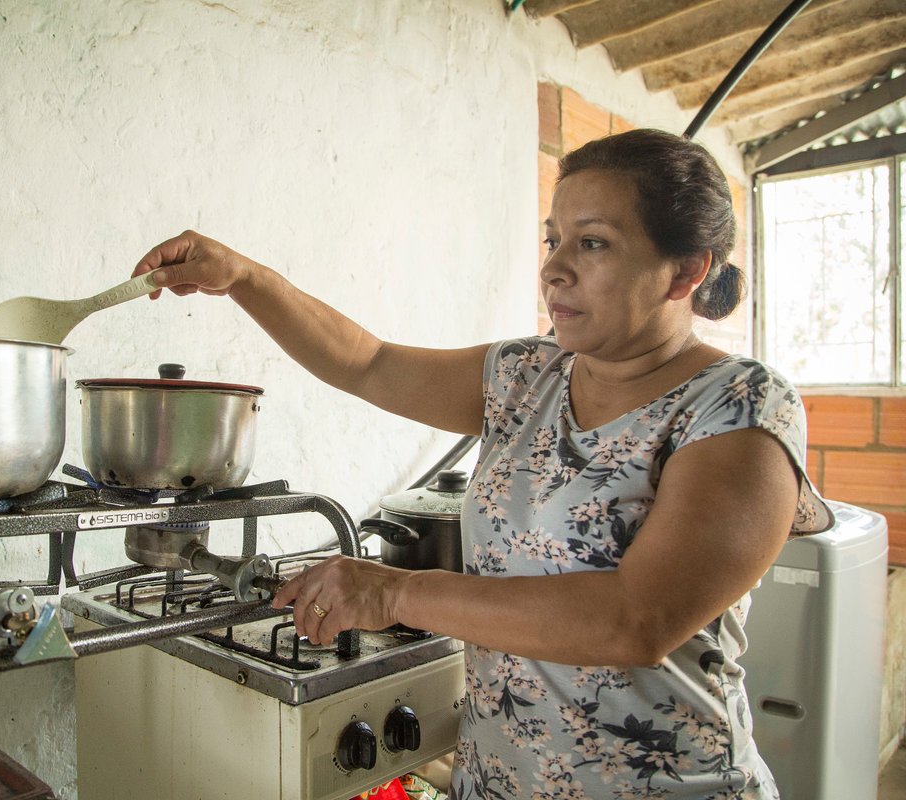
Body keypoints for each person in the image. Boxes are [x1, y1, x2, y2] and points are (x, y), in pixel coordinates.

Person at [131, 128, 832, 799]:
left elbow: (635, 621)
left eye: (593, 243)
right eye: (554, 239)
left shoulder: (738, 407)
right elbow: (368, 363)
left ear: (686, 271)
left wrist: (394, 591)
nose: (554, 267)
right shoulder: (529, 375)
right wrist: (245, 279)